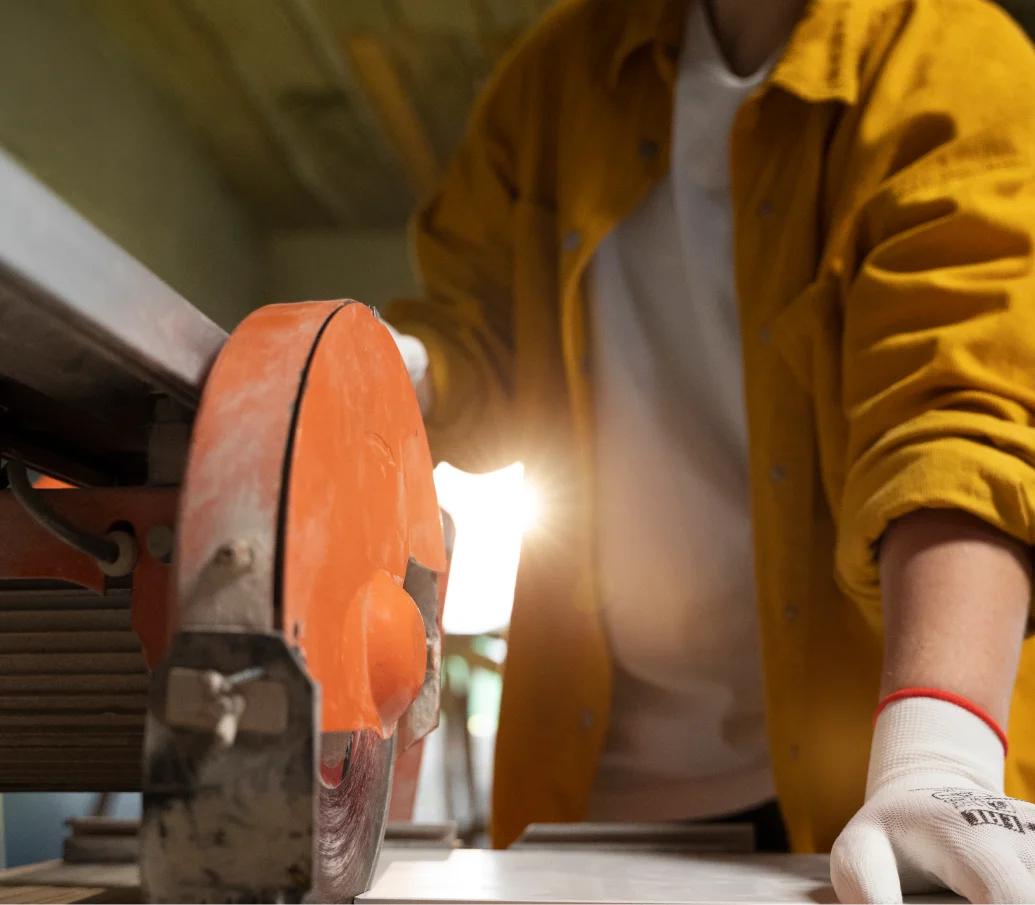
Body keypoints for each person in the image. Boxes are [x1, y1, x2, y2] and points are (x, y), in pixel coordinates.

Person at [384, 0, 1035, 900]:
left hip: (871, 789)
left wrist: (941, 755)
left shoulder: (956, 62)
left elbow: (956, 421)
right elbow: (489, 349)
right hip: (590, 776)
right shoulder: (555, 78)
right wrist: (387, 367)